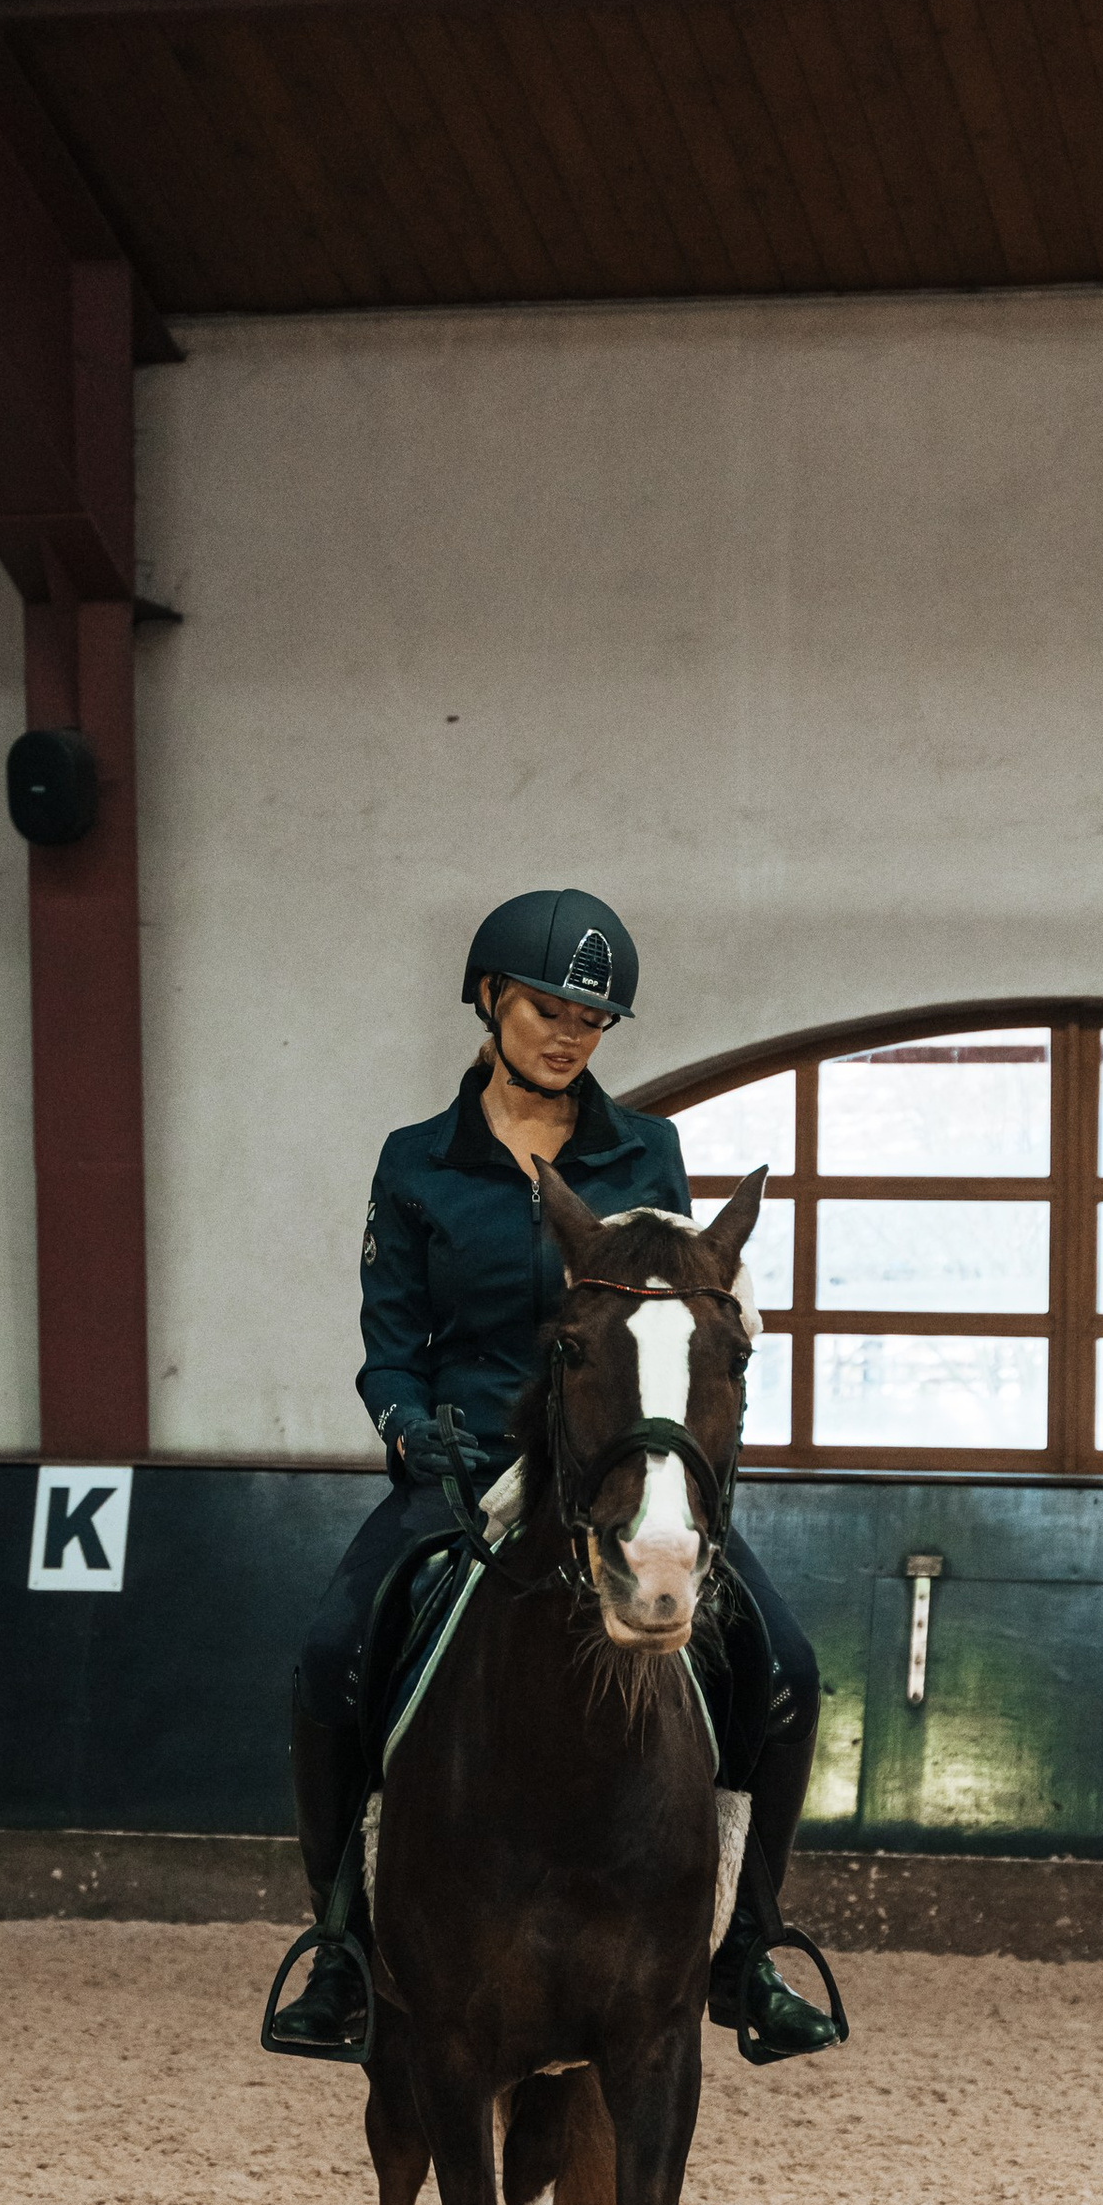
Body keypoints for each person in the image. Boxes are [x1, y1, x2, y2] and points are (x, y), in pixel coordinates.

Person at [267, 884, 841, 2063]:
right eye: (547, 1007)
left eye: (592, 1018)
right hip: (461, 1463)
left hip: (607, 1469)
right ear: (488, 998)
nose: (569, 1033)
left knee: (784, 1668)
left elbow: (665, 1316)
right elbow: (389, 1340)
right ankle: (337, 1950)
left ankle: (751, 1948)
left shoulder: (649, 1152)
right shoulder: (417, 1164)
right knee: (329, 1659)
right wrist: (406, 1423)